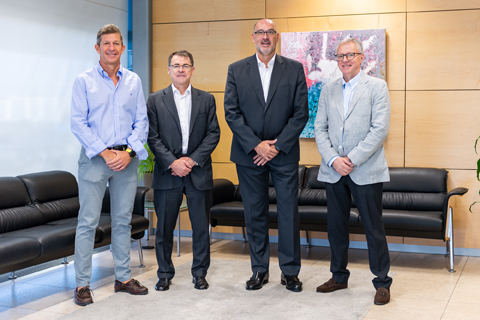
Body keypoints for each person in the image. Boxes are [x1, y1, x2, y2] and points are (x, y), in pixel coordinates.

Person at [224, 19, 309, 292]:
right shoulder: (236, 70)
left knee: (288, 213)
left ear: (277, 37)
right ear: (253, 37)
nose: (265, 37)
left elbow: (300, 114)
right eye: (260, 33)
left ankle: (290, 272)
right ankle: (259, 270)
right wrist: (256, 145)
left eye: (269, 32)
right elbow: (231, 113)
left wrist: (276, 146)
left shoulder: (294, 69)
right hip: (248, 155)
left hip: (283, 154)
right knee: (255, 213)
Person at [71, 24, 149, 306]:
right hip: (95, 160)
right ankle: (82, 285)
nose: (112, 48)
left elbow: (141, 121)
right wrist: (105, 153)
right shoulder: (84, 81)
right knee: (88, 222)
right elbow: (78, 122)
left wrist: (128, 152)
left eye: (116, 43)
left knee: (122, 220)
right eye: (106, 44)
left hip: (125, 161)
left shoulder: (134, 81)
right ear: (97, 48)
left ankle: (123, 278)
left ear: (122, 47)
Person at [314, 38, 392, 305]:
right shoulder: (328, 89)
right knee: (336, 227)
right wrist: (335, 159)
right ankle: (339, 276)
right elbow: (320, 129)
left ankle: (382, 282)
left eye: (350, 55)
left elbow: (379, 130)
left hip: (366, 169)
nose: (345, 60)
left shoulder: (377, 87)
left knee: (373, 227)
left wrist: (352, 159)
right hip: (333, 170)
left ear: (361, 57)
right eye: (340, 56)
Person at [147, 50, 220, 291]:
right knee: (164, 228)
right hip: (168, 173)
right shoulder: (155, 100)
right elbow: (152, 137)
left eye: (185, 65)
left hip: (198, 173)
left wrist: (191, 160)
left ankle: (200, 273)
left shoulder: (206, 99)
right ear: (168, 69)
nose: (180, 69)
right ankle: (164, 273)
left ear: (192, 70)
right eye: (176, 65)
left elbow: (213, 134)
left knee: (201, 228)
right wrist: (173, 162)